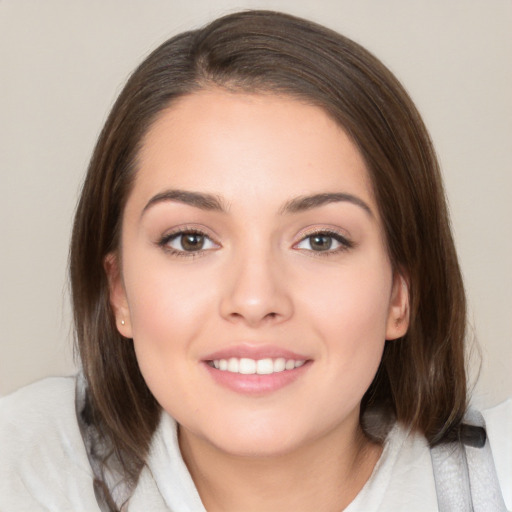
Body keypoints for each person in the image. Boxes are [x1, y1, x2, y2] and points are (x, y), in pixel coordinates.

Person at [0, 9, 509, 512]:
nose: (255, 299)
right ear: (119, 292)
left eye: (321, 241)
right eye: (192, 240)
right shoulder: (22, 469)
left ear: (400, 293)